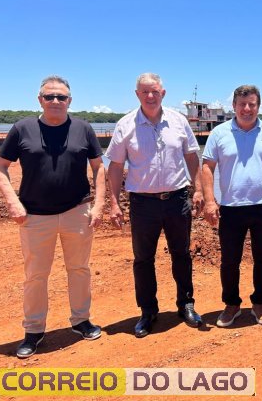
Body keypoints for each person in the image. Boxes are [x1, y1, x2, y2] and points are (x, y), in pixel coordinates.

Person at [0, 75, 105, 358]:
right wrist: (13, 202)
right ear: (39, 99)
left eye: (61, 97)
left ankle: (81, 320)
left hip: (77, 212)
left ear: (70, 100)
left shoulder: (83, 128)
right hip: (34, 216)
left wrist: (99, 204)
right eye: (49, 96)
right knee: (36, 275)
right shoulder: (23, 129)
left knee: (79, 269)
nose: (55, 101)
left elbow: (98, 167)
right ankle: (33, 330)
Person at [106, 73, 204, 338]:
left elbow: (192, 157)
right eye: (145, 92)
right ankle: (148, 311)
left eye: (155, 91)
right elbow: (115, 166)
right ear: (137, 94)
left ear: (163, 93)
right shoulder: (125, 125)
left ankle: (186, 304)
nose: (150, 96)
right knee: (143, 259)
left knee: (181, 254)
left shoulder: (179, 121)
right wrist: (114, 202)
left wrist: (198, 190)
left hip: (177, 200)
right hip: (142, 204)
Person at [202, 85, 262, 327]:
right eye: (242, 104)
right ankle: (232, 305)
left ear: (258, 106)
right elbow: (207, 167)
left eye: (252, 104)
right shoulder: (219, 133)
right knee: (230, 260)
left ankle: (259, 302)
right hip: (231, 207)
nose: (247, 109)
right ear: (234, 106)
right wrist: (210, 201)